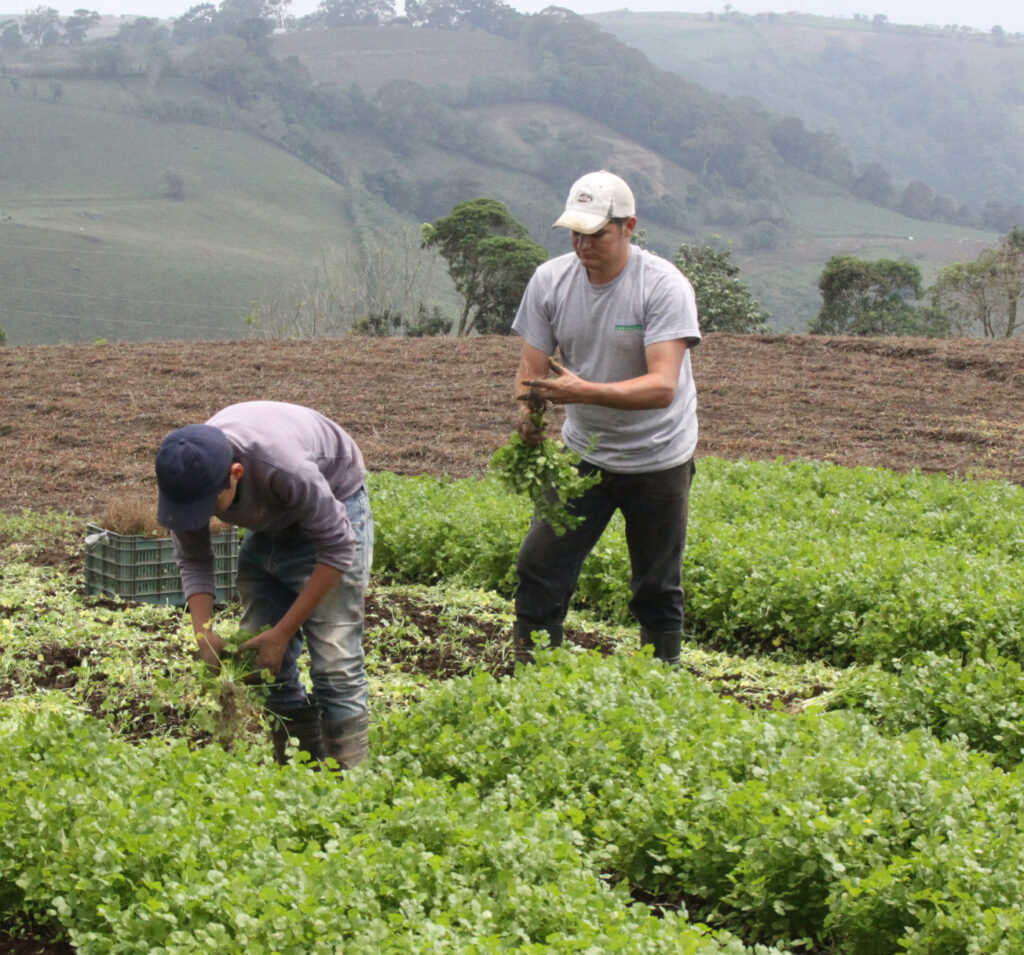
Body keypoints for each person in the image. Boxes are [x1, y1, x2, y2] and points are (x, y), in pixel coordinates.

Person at [510, 170, 701, 667]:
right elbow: (532, 367)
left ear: (628, 226)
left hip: (658, 457)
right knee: (540, 567)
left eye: (596, 233)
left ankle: (660, 683)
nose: (582, 243)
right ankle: (532, 677)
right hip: (583, 452)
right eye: (575, 232)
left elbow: (662, 387)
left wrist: (581, 391)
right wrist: (529, 412)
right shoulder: (550, 280)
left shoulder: (662, 286)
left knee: (656, 586)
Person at [155, 400, 373, 770]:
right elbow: (194, 557)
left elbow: (338, 547)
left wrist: (285, 631)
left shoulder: (284, 467)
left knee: (335, 662)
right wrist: (203, 635)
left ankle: (350, 788)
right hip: (275, 512)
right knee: (258, 657)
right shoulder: (188, 475)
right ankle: (301, 768)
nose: (203, 516)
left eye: (210, 506)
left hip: (336, 500)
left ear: (236, 473)